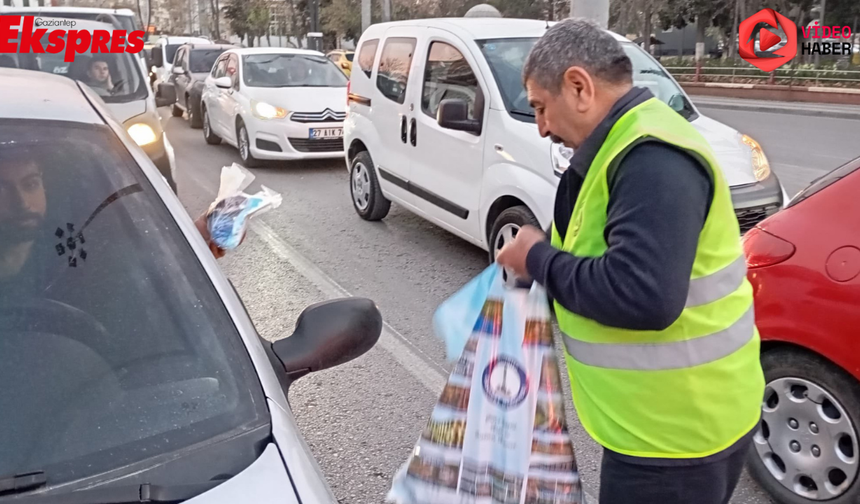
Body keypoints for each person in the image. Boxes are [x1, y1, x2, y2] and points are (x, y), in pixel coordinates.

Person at [496, 19, 765, 504]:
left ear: (579, 86)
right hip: (666, 426)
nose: (541, 127)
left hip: (675, 439)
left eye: (540, 107)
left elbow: (643, 295)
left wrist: (537, 258)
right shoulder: (622, 146)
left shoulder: (650, 158)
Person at [0, 152, 235, 299]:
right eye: (3, 190)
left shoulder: (78, 251)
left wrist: (195, 241)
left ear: (45, 187)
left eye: (30, 184)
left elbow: (147, 275)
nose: (21, 202)